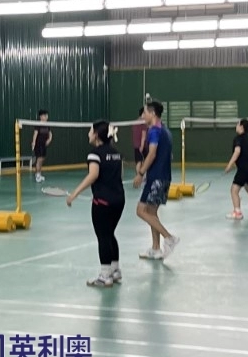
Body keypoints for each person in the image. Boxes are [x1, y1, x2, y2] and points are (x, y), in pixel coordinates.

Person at [66, 120, 125, 287]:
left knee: (103, 237)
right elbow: (119, 175)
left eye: (90, 131)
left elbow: (93, 175)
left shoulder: (94, 154)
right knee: (110, 234)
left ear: (97, 135)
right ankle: (115, 270)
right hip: (119, 200)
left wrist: (75, 193)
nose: (88, 134)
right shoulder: (117, 153)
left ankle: (105, 276)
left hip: (102, 202)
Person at [132, 100, 179, 260]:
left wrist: (141, 173)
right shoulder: (165, 130)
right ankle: (156, 249)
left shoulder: (154, 131)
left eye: (145, 113)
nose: (143, 116)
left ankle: (169, 238)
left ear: (152, 114)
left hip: (155, 178)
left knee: (141, 211)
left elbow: (151, 154)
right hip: (164, 177)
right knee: (152, 213)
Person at [224, 118, 248, 220]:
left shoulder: (238, 139)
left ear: (241, 127)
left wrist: (230, 165)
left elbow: (237, 152)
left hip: (244, 169)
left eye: (237, 124)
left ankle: (237, 213)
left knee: (234, 190)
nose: (236, 126)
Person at [31, 110, 53, 183]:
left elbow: (50, 133)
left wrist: (49, 139)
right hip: (38, 144)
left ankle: (39, 174)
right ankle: (37, 175)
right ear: (41, 117)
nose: (46, 117)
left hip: (44, 144)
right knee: (39, 159)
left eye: (47, 115)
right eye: (45, 115)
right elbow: (35, 133)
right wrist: (33, 142)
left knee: (42, 159)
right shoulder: (38, 124)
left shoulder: (47, 124)